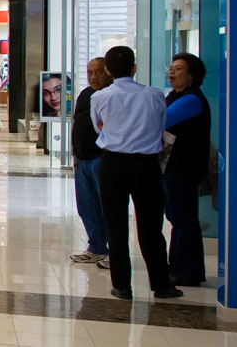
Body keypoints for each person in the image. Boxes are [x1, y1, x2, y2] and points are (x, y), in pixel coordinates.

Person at [90, 46, 182, 300]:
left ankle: (121, 285)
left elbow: (99, 129)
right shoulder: (154, 95)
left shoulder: (100, 97)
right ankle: (161, 285)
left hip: (112, 163)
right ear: (134, 67)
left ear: (108, 70)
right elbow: (160, 126)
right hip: (145, 164)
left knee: (116, 225)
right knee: (151, 226)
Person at [163, 53, 211, 287]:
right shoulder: (174, 96)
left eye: (179, 69)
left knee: (183, 218)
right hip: (172, 167)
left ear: (192, 76)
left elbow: (160, 120)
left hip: (184, 168)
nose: (172, 72)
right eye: (171, 68)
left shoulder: (191, 99)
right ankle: (179, 268)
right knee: (177, 217)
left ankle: (186, 271)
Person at [68, 57, 111, 264]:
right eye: (90, 72)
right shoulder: (86, 95)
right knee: (86, 206)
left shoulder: (111, 96)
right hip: (82, 159)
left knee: (107, 206)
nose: (93, 76)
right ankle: (96, 246)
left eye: (99, 72)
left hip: (101, 159)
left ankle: (114, 249)